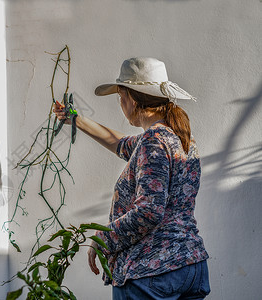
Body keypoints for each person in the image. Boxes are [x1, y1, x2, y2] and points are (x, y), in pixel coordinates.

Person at [53, 57, 210, 299]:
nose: (120, 104)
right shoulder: (179, 139)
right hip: (189, 267)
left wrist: (103, 236)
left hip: (152, 272)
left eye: (120, 97)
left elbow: (149, 212)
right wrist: (74, 119)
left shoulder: (153, 141)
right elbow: (121, 144)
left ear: (132, 99)